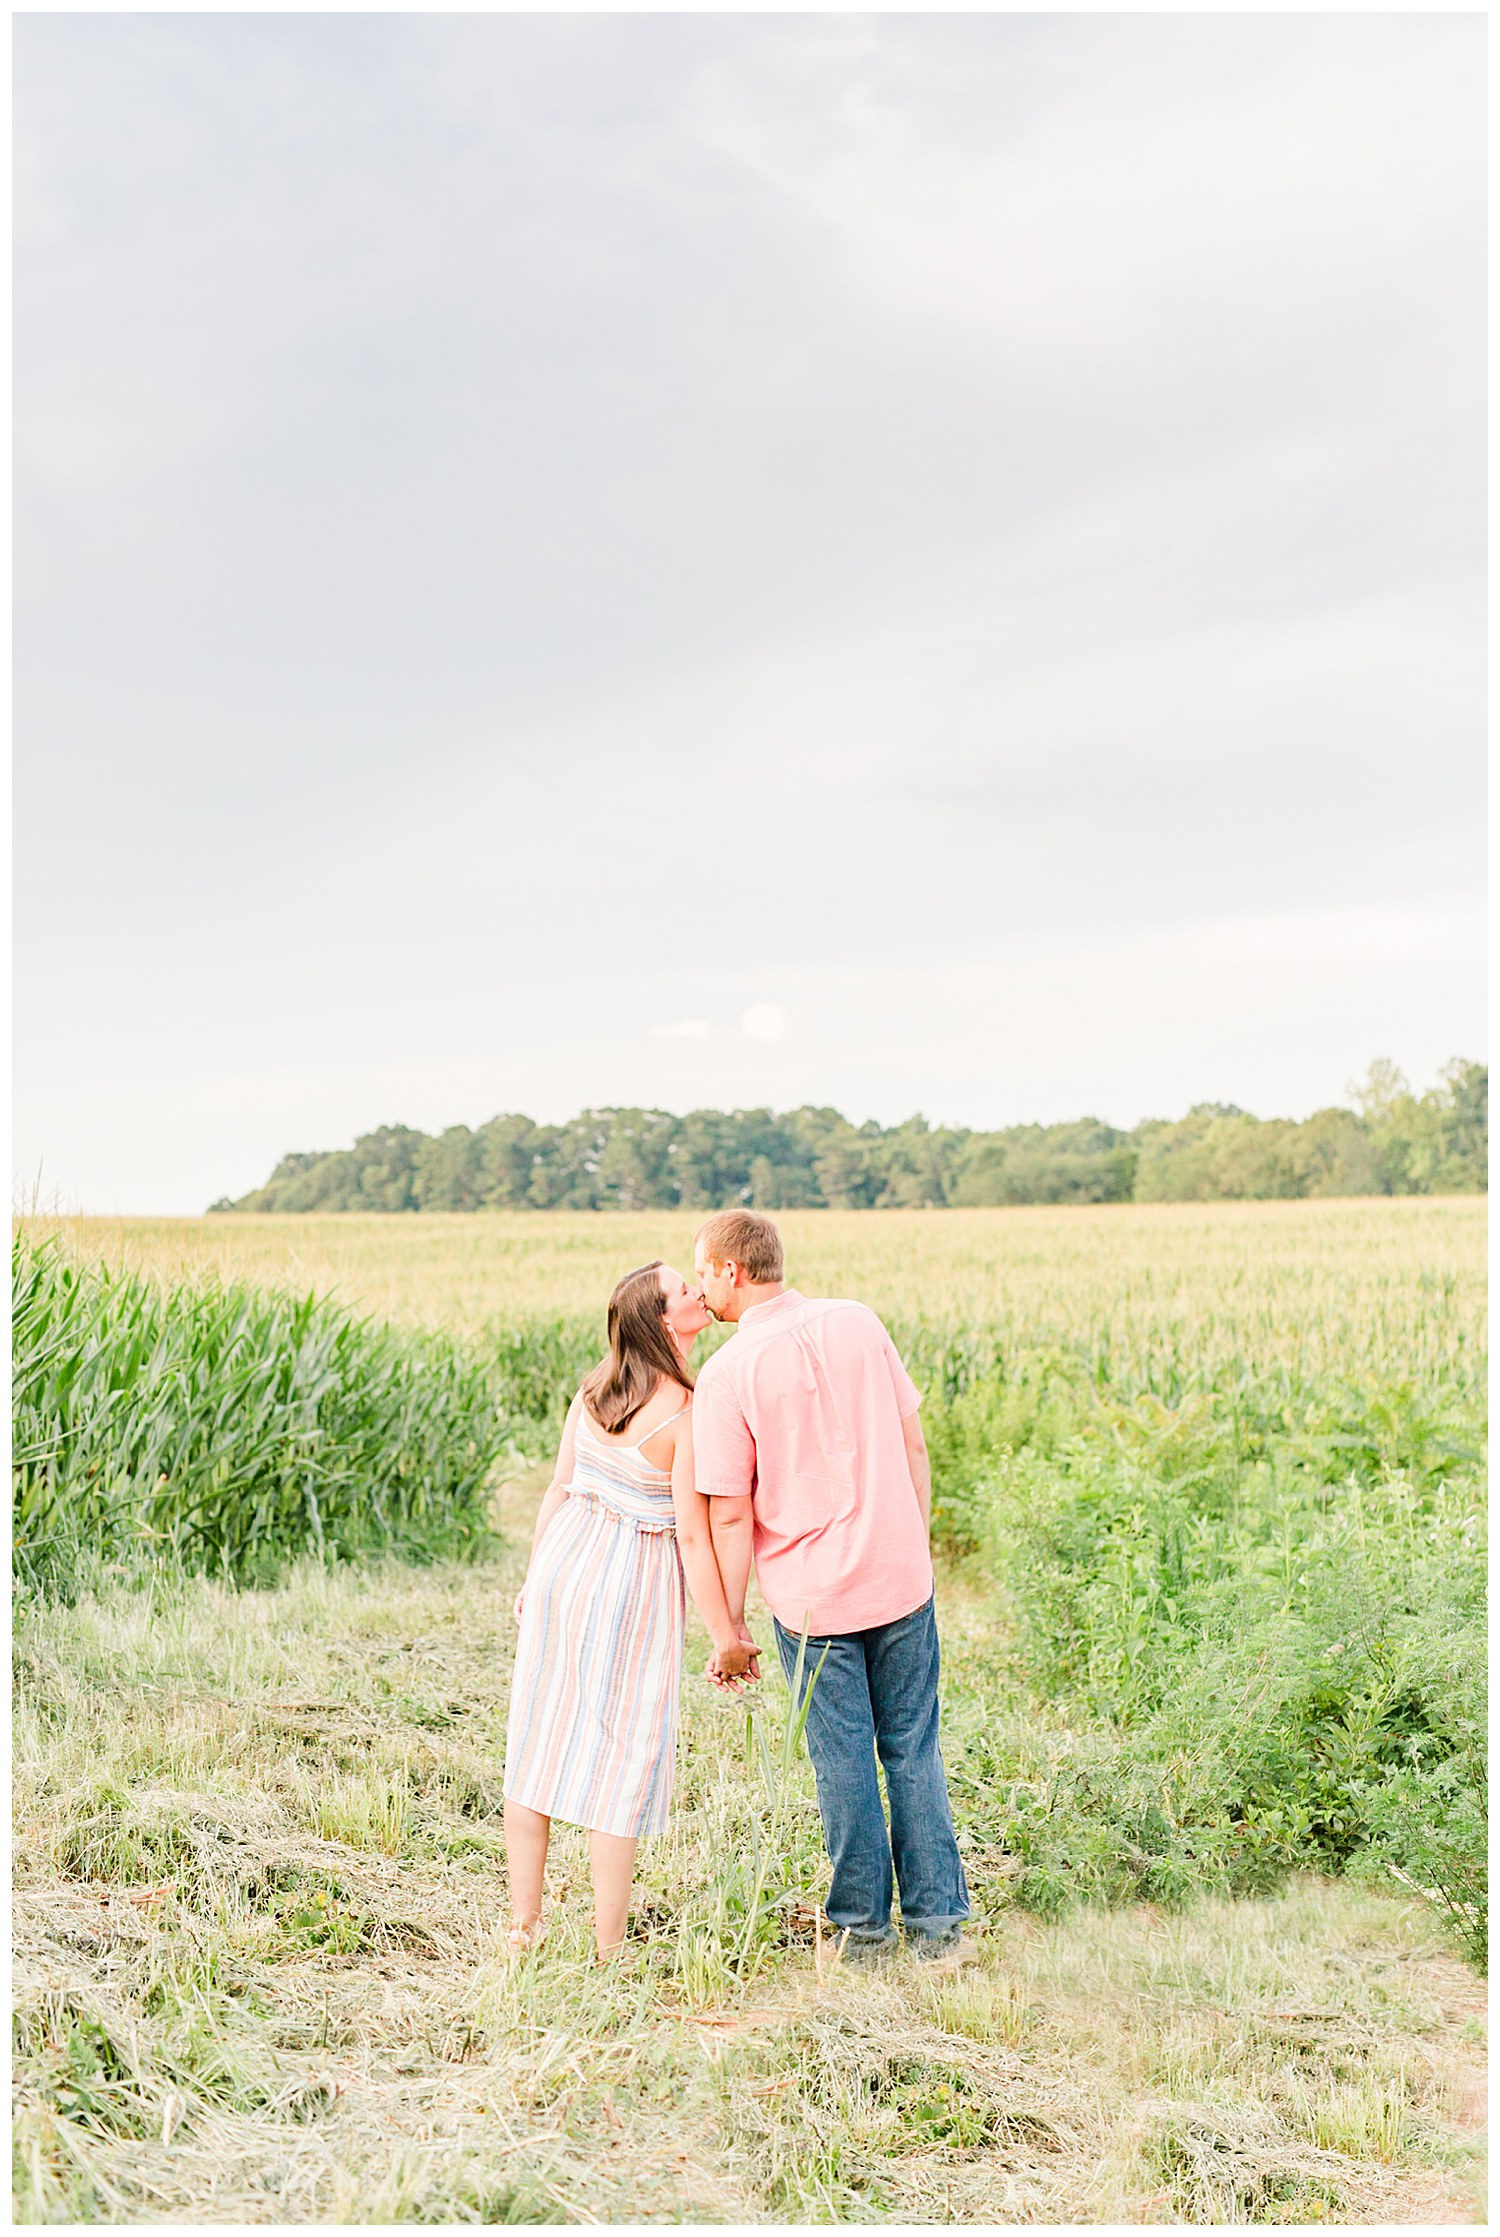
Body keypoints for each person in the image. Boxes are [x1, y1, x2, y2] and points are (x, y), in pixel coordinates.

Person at [690, 1210, 973, 1969]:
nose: (701, 1288)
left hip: (812, 1599)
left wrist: (733, 1625)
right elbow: (913, 1441)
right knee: (913, 1745)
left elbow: (728, 1512)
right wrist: (917, 1546)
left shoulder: (725, 1374)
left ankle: (861, 1934)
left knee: (841, 1758)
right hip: (899, 1573)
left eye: (704, 1273)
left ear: (732, 1272)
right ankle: (941, 1926)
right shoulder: (858, 1321)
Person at [503, 1261, 758, 1959]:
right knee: (619, 1761)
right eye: (682, 1290)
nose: (695, 1292)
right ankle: (608, 1950)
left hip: (565, 1565)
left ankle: (523, 1928)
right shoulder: (684, 1410)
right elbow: (696, 1533)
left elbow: (558, 1490)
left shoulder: (592, 1391)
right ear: (661, 1320)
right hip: (628, 1584)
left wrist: (536, 1576)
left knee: (538, 1740)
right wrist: (725, 1634)